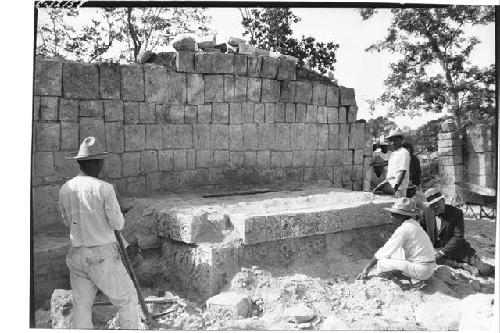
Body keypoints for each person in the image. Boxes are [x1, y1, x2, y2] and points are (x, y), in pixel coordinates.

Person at [58, 137, 139, 329]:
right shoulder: (104, 188)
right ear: (95, 162)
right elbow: (117, 224)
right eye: (101, 161)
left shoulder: (65, 189)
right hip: (101, 255)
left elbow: (67, 221)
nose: (103, 165)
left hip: (77, 254)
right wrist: (119, 212)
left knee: (82, 306)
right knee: (127, 299)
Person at [356, 197, 436, 281]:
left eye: (394, 215)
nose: (391, 217)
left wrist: (367, 268)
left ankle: (406, 279)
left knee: (381, 264)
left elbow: (385, 251)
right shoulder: (413, 224)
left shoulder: (405, 228)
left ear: (402, 216)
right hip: (428, 268)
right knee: (396, 252)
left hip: (422, 271)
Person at [420, 188, 494, 277]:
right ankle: (463, 266)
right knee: (432, 260)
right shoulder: (426, 212)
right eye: (432, 205)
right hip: (436, 250)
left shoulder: (456, 212)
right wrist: (429, 248)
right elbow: (422, 231)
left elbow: (458, 237)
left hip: (457, 249)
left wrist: (442, 252)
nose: (435, 207)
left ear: (443, 201)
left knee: (484, 270)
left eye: (437, 203)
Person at [378, 131, 411, 197]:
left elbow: (402, 171)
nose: (393, 142)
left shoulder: (404, 153)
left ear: (401, 140)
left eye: (395, 140)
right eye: (391, 140)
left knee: (400, 205)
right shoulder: (394, 153)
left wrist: (395, 187)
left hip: (399, 188)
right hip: (391, 187)